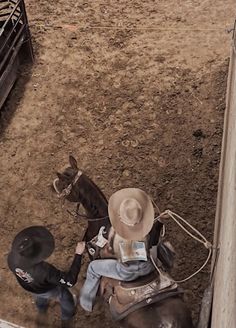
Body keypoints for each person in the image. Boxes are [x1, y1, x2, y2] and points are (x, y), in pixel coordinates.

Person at [79, 188, 155, 312]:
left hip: (126, 272)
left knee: (93, 267)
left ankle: (86, 301)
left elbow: (109, 252)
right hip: (148, 267)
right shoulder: (146, 229)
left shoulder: (118, 236)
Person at [8, 226, 85, 328]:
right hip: (46, 289)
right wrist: (78, 254)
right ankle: (67, 320)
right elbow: (70, 281)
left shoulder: (12, 258)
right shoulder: (44, 270)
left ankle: (41, 311)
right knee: (64, 295)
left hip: (29, 286)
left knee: (39, 294)